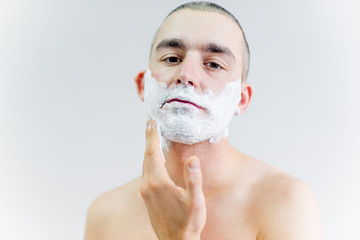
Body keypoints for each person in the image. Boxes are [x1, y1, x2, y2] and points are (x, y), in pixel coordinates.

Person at [84, 2, 322, 239]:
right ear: (143, 85)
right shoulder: (105, 214)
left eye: (213, 64)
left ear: (241, 99)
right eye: (171, 59)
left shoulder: (286, 202)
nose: (186, 74)